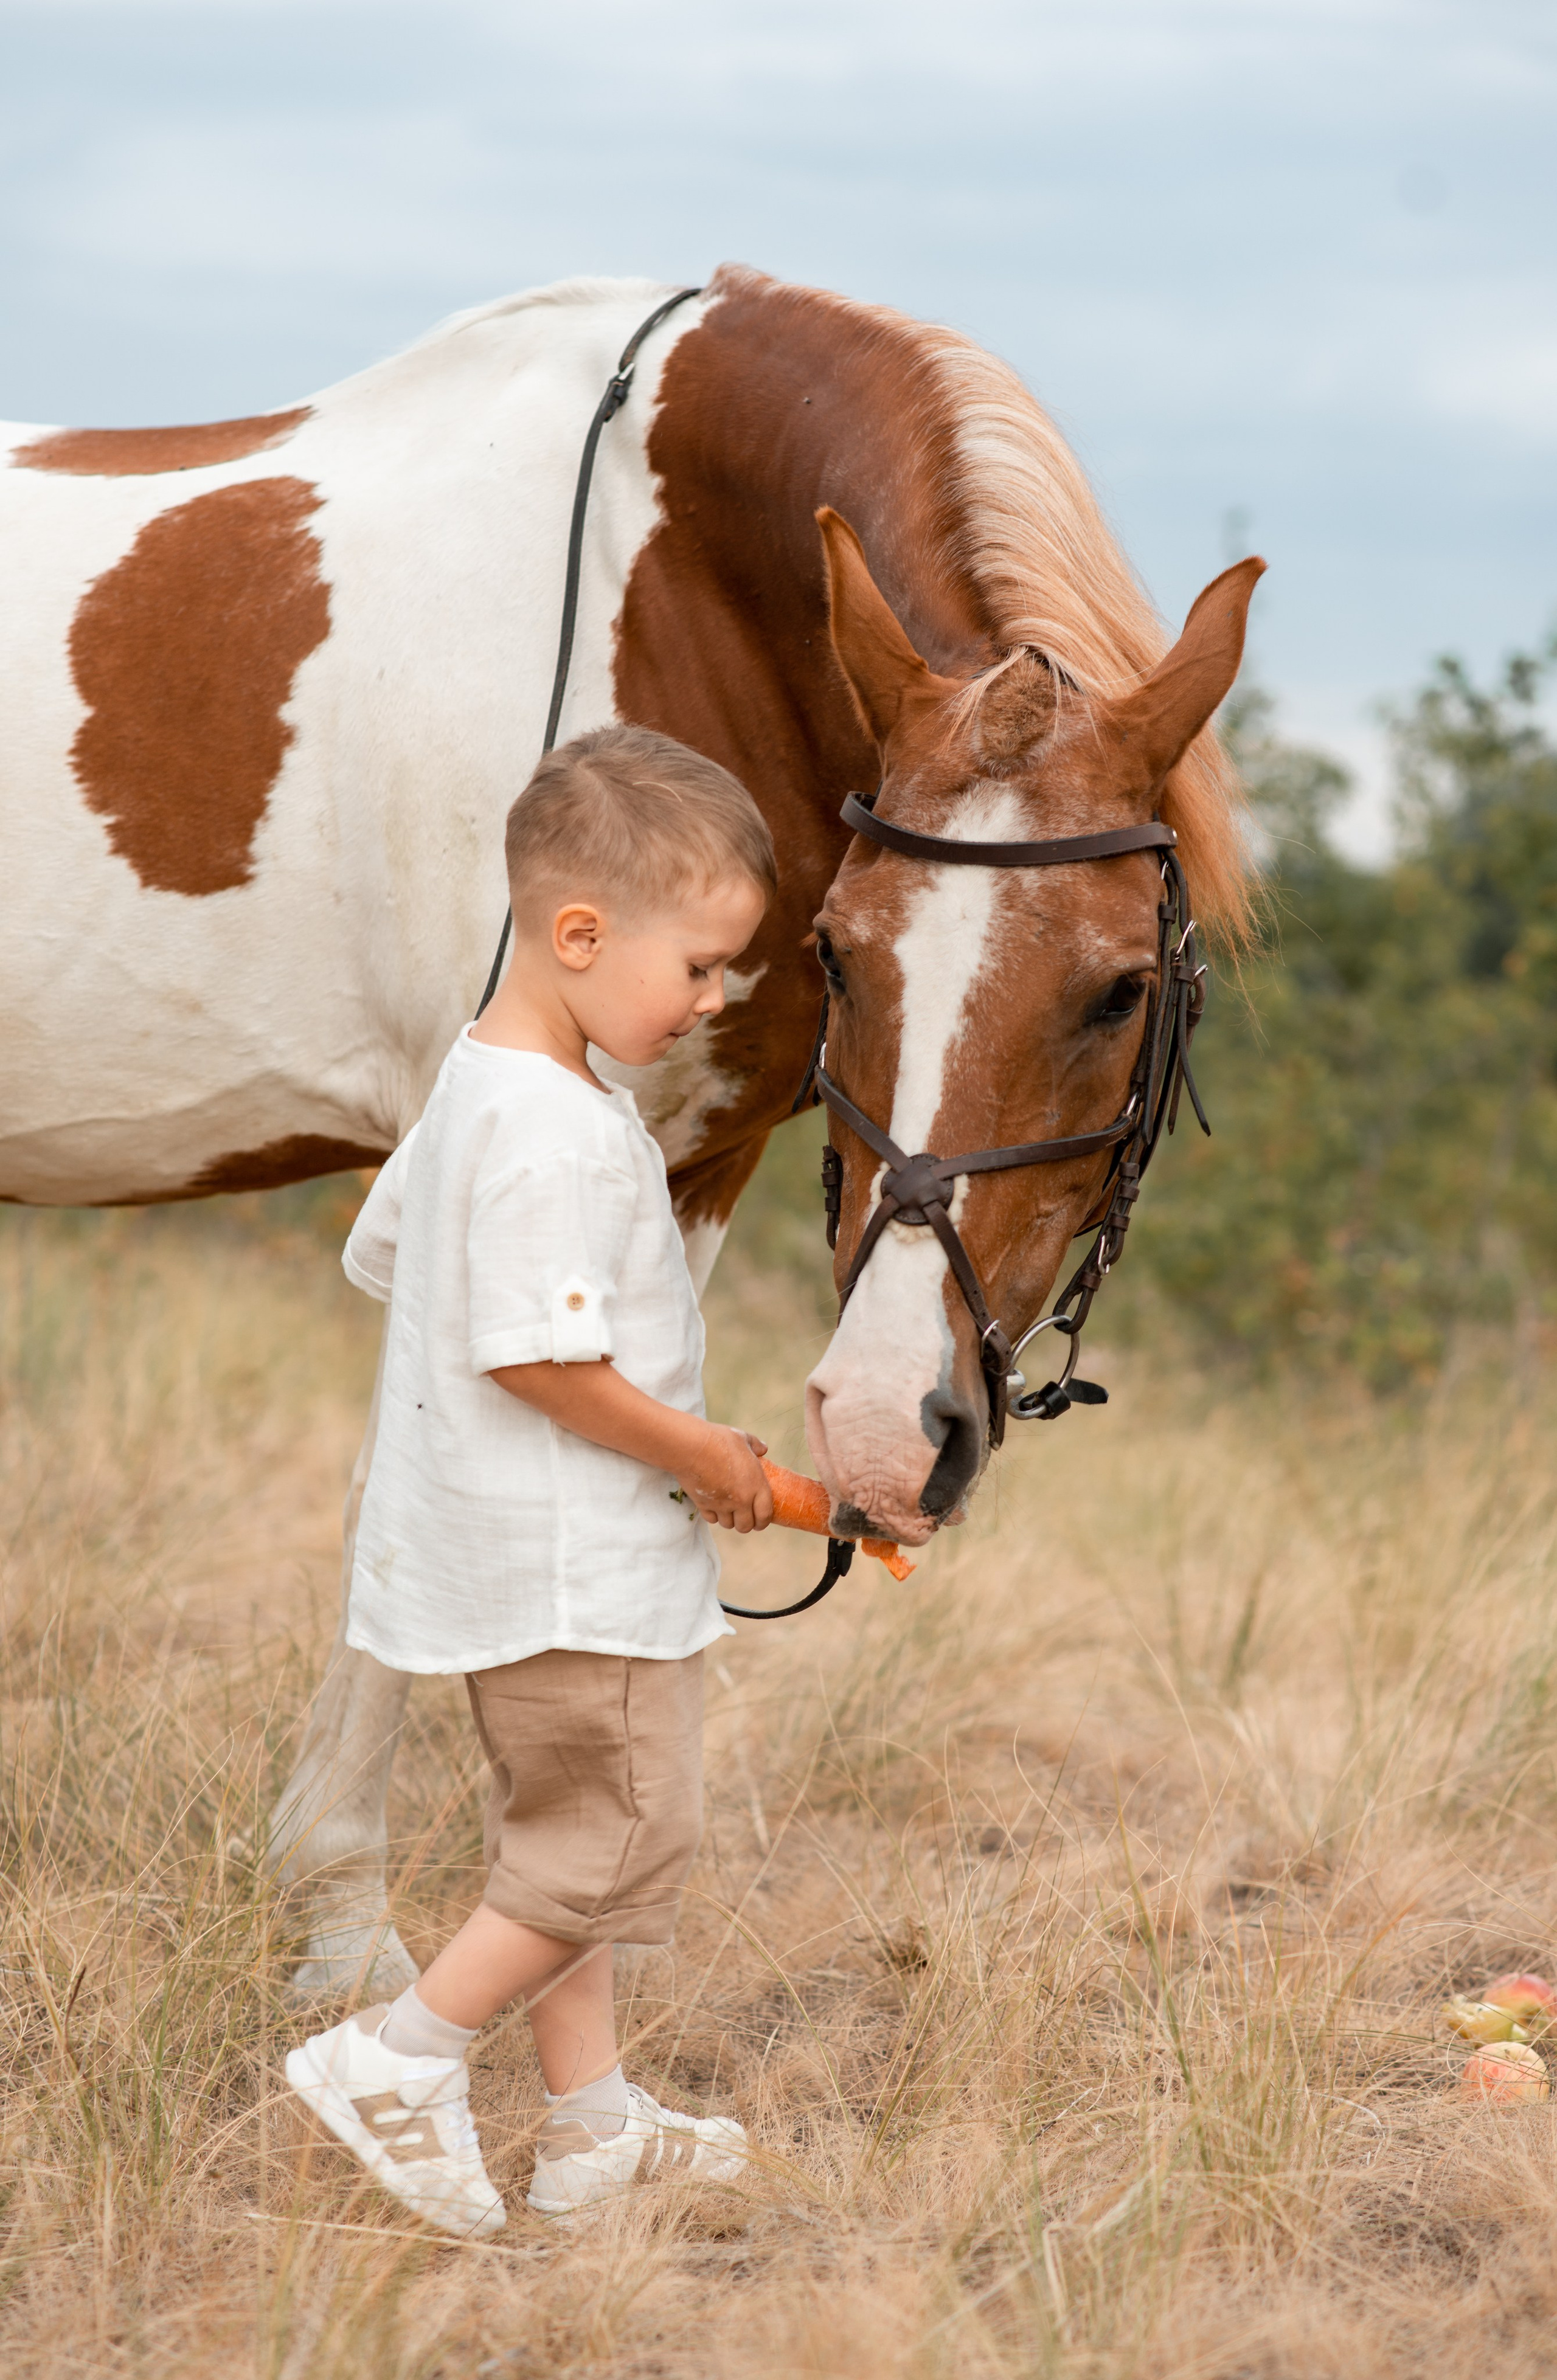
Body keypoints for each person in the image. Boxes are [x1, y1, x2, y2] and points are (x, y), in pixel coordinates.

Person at [285, 724, 778, 2235]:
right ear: (578, 934)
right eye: (700, 966)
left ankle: (589, 2124)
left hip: (512, 1555)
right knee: (620, 1837)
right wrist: (704, 1454)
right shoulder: (551, 1129)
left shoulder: (484, 1085)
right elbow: (536, 1361)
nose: (714, 1000)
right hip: (574, 1571)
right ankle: (395, 2059)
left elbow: (391, 1252)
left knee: (563, 1839)